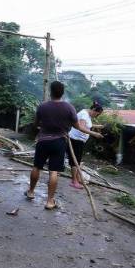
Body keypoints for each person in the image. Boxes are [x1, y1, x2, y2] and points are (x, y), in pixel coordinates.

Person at [25, 81, 100, 210]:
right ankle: (49, 201)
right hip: (60, 142)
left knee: (37, 167)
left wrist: (43, 127)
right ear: (62, 93)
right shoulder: (69, 107)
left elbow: (35, 124)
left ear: (50, 92)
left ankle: (31, 192)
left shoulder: (42, 106)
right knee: (54, 171)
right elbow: (77, 126)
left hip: (43, 141)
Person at [68, 101, 105, 190]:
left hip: (79, 141)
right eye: (97, 114)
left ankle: (76, 179)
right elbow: (81, 127)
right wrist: (94, 134)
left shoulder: (86, 114)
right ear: (93, 110)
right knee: (75, 162)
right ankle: (74, 181)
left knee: (77, 161)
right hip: (75, 140)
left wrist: (97, 126)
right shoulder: (84, 114)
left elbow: (86, 125)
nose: (97, 116)